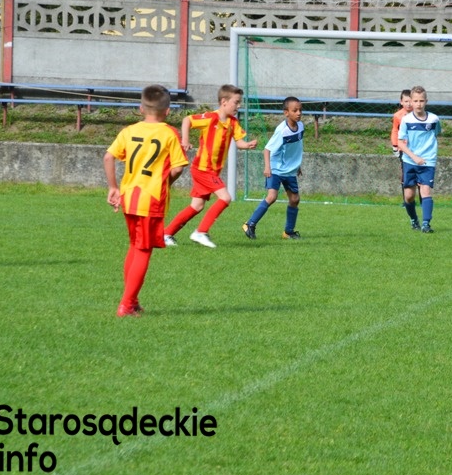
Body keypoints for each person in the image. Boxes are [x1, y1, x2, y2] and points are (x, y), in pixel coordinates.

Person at [103, 85, 189, 317]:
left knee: (135, 246)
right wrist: (166, 183)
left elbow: (109, 157)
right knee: (143, 250)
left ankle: (132, 300)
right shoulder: (169, 133)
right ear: (168, 111)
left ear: (141, 108)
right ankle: (126, 304)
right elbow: (178, 168)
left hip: (129, 196)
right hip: (151, 199)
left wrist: (113, 187)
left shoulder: (129, 131)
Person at [164, 84, 258, 249]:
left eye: (239, 102)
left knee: (197, 206)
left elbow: (239, 142)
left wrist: (247, 144)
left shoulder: (233, 122)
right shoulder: (210, 118)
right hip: (203, 169)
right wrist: (185, 140)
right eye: (236, 102)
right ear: (224, 102)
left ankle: (166, 234)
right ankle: (201, 232)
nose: (239, 106)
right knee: (225, 198)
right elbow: (187, 120)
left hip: (212, 171)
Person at [242, 97, 305, 241]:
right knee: (272, 197)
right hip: (276, 168)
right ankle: (249, 224)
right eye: (295, 110)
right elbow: (267, 149)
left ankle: (288, 232)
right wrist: (267, 167)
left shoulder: (301, 126)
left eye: (300, 110)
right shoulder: (282, 131)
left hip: (289, 170)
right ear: (286, 113)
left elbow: (296, 148)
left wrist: (298, 165)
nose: (299, 113)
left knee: (294, 199)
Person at [397, 85, 440, 233]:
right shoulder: (406, 120)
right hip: (410, 161)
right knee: (409, 196)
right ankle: (414, 219)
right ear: (411, 102)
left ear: (426, 101)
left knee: (426, 191)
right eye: (415, 101)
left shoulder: (434, 119)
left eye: (421, 101)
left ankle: (426, 224)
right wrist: (414, 157)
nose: (418, 104)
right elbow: (400, 143)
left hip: (428, 161)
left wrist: (427, 154)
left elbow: (436, 134)